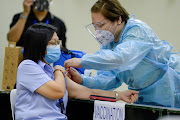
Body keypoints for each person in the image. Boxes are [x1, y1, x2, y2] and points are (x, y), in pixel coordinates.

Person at [64, 0, 180, 108]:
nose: (98, 32)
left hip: (168, 86)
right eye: (95, 26)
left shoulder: (137, 31)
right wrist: (83, 80)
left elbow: (122, 58)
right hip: (141, 93)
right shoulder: (108, 44)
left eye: (101, 25)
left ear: (118, 19)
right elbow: (109, 79)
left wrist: (83, 61)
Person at [15, 23, 139, 120]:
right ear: (39, 45)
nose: (57, 47)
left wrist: (119, 95)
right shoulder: (28, 67)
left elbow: (88, 93)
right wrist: (59, 70)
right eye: (53, 43)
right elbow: (57, 91)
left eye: (58, 43)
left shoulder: (51, 71)